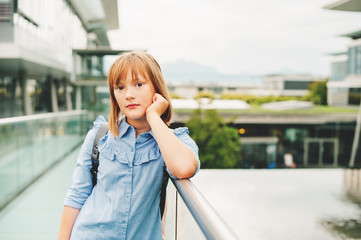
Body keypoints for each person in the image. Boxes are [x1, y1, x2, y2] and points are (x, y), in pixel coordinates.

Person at [58, 51, 200, 240]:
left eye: (139, 84)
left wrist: (153, 116)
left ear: (156, 88)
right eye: (120, 88)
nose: (129, 95)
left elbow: (184, 168)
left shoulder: (173, 140)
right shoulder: (99, 136)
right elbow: (77, 194)